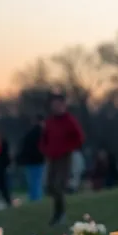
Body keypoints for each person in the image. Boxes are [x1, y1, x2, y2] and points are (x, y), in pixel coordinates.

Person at [40, 93, 84, 226]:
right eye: (54, 105)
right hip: (51, 157)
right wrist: (45, 149)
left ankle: (60, 214)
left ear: (64, 106)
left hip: (64, 157)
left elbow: (79, 137)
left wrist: (68, 148)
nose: (56, 107)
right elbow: (44, 138)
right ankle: (57, 212)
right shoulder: (50, 121)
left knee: (59, 185)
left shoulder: (69, 120)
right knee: (50, 185)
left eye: (59, 105)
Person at [17, 115, 46, 202]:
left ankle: (34, 199)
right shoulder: (42, 133)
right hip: (39, 160)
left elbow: (24, 147)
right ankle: (37, 199)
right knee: (38, 181)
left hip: (30, 161)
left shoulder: (29, 134)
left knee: (33, 182)